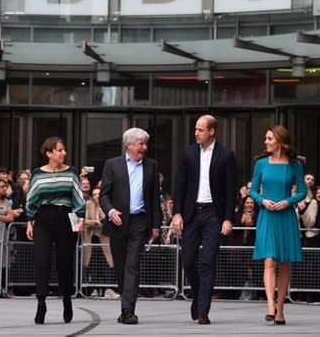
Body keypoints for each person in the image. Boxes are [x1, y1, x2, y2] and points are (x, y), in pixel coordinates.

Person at [171, 115, 236, 325]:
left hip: (213, 216)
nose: (196, 133)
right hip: (191, 214)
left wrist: (228, 219)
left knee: (208, 262)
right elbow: (179, 184)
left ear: (211, 131)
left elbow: (230, 190)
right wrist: (177, 213)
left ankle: (203, 310)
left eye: (200, 129)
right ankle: (199, 293)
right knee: (187, 260)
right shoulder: (188, 153)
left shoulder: (226, 155)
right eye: (196, 129)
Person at [100, 127, 161, 325]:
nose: (144, 147)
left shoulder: (152, 166)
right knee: (121, 268)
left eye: (145, 143)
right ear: (129, 145)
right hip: (118, 222)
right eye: (141, 144)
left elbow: (154, 199)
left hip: (140, 221)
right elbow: (103, 195)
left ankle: (128, 310)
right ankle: (124, 306)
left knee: (132, 265)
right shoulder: (112, 165)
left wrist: (156, 225)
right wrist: (110, 211)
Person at [248, 125, 306, 325]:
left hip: (286, 215)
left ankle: (280, 309)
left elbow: (302, 192)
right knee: (269, 261)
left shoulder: (295, 165)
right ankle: (270, 305)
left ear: (280, 141)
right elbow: (253, 190)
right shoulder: (261, 164)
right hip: (267, 214)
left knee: (285, 263)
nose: (265, 142)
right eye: (266, 138)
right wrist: (262, 201)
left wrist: (288, 202)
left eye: (269, 138)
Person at [25, 137, 85, 325]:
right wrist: (29, 221)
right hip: (43, 218)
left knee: (64, 263)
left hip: (66, 218)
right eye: (59, 150)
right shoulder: (37, 174)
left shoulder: (71, 172)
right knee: (42, 260)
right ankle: (41, 303)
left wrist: (81, 218)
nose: (63, 153)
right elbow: (31, 199)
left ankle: (67, 299)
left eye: (64, 150)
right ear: (49, 153)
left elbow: (78, 197)